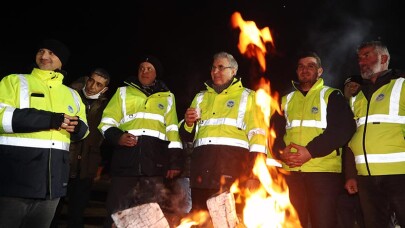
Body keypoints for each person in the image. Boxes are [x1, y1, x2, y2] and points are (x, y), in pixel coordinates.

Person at [0, 39, 89, 227]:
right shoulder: (14, 81)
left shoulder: (72, 94)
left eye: (52, 53)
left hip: (52, 186)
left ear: (62, 61)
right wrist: (49, 119)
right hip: (15, 180)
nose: (44, 56)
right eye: (41, 51)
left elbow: (84, 130)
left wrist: (78, 128)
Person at [271, 51, 356, 228]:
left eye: (311, 66)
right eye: (301, 66)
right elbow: (274, 132)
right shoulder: (285, 99)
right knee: (291, 223)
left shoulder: (332, 95)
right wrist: (280, 152)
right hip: (291, 173)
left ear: (320, 71)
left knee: (323, 223)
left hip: (323, 173)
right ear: (296, 71)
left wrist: (310, 151)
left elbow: (342, 130)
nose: (305, 70)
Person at [98, 55, 184, 228]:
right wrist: (118, 137)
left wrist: (174, 162)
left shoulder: (168, 97)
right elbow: (106, 123)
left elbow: (173, 131)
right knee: (116, 215)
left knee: (149, 217)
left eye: (149, 68)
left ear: (156, 73)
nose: (144, 71)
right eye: (141, 68)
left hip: (153, 167)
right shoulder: (123, 92)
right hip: (125, 165)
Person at [179, 51, 268, 214]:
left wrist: (254, 175)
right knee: (199, 221)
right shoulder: (200, 97)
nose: (215, 71)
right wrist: (188, 123)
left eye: (221, 67)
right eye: (213, 68)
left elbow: (259, 137)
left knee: (229, 221)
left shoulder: (249, 97)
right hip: (201, 175)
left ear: (234, 71)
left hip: (232, 175)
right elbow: (186, 136)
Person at [348, 40, 405, 228]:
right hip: (366, 178)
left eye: (367, 55)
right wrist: (351, 174)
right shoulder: (357, 97)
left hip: (399, 175)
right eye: (359, 58)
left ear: (384, 58)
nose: (362, 61)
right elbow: (351, 138)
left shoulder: (401, 86)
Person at [52, 68, 111, 228]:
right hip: (63, 160)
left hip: (86, 165)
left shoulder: (107, 107)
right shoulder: (69, 94)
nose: (92, 86)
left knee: (77, 213)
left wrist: (100, 163)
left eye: (99, 84)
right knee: (53, 210)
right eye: (91, 80)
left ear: (104, 89)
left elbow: (104, 137)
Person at [337, 75, 365, 228]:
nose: (352, 88)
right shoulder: (334, 109)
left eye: (356, 85)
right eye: (349, 86)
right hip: (339, 172)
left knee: (366, 215)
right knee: (342, 215)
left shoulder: (366, 109)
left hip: (363, 170)